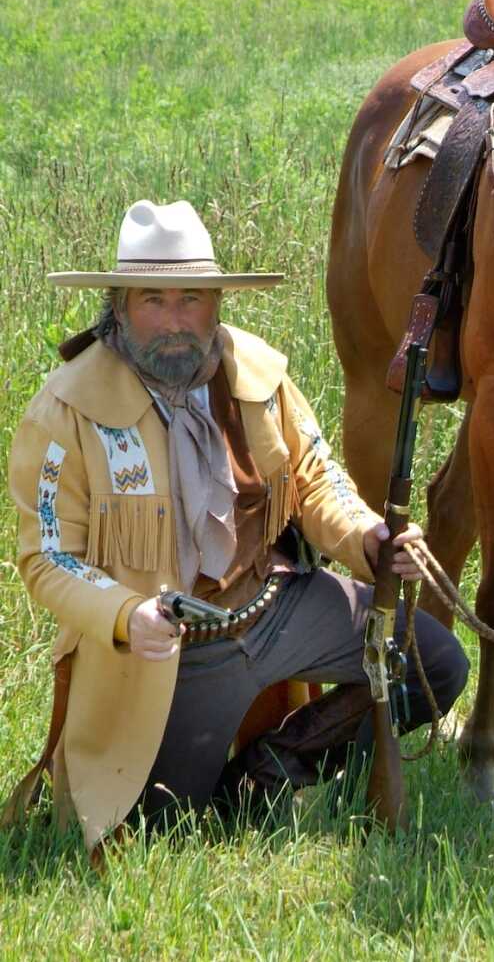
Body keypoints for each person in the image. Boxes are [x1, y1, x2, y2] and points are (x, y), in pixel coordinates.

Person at [2, 199, 468, 857]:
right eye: (152, 301)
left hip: (276, 605)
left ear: (216, 300)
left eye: (190, 299)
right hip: (168, 654)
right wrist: (126, 614)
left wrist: (367, 537)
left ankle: (278, 766)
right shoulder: (65, 409)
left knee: (434, 661)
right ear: (117, 305)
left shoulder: (259, 375)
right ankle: (229, 785)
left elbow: (315, 477)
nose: (174, 321)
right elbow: (49, 558)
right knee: (168, 825)